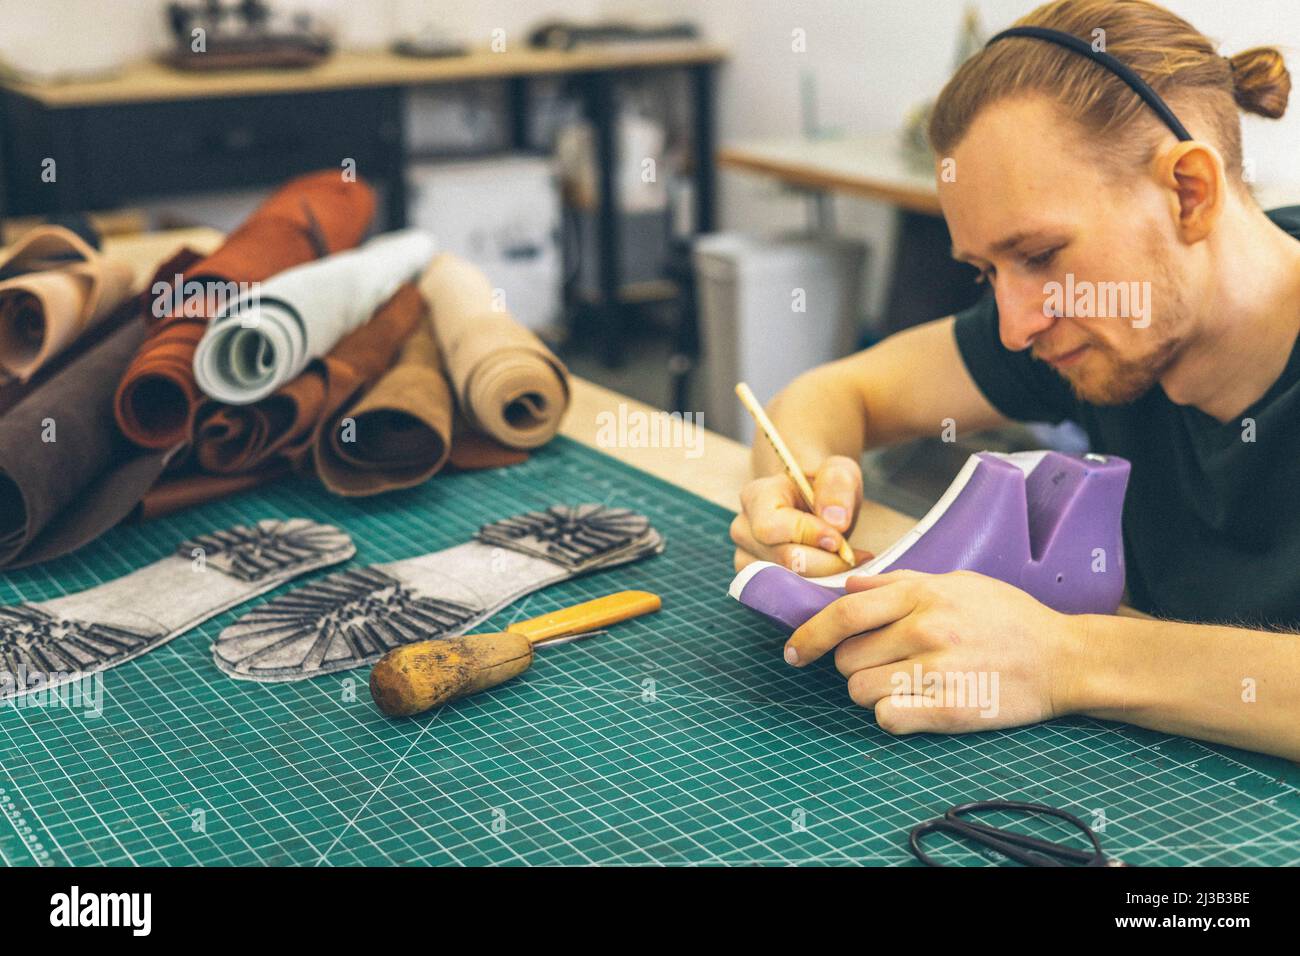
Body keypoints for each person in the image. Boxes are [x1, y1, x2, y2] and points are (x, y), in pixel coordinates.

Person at [730, 0, 1300, 760]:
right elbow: (834, 396)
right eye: (987, 272)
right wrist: (800, 500)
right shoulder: (1100, 327)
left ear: (1188, 193)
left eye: (1038, 255)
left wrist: (1067, 657)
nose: (1015, 326)